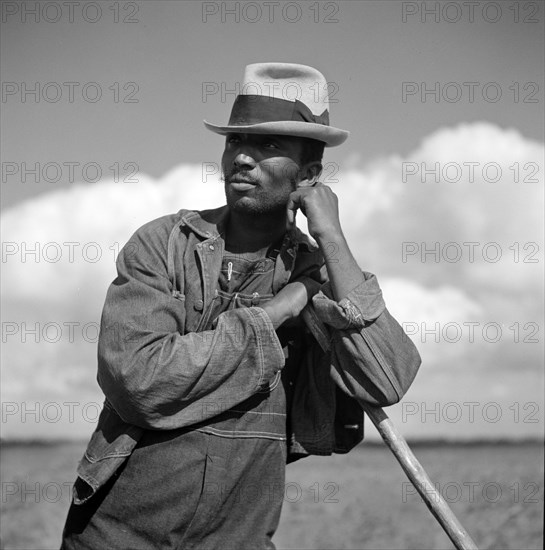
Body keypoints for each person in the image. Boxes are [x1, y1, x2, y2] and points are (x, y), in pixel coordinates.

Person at [61, 62, 421, 550]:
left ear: (310, 176)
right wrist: (280, 311)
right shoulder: (165, 244)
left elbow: (388, 379)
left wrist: (331, 237)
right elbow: (139, 380)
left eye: (269, 146)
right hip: (116, 534)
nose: (242, 159)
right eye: (236, 142)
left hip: (240, 538)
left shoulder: (320, 271)